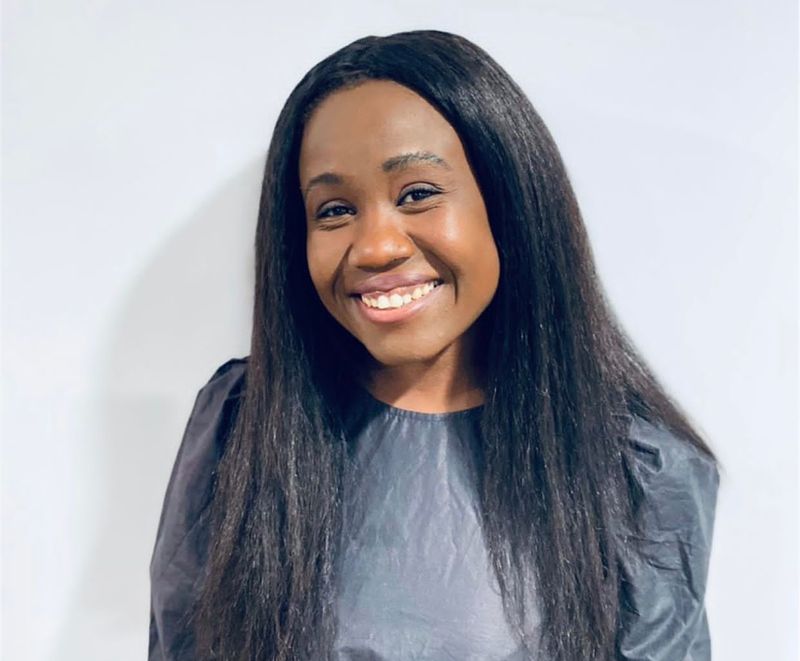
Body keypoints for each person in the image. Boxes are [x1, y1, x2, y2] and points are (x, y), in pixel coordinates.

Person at [148, 30, 721, 661]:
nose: (375, 247)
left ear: (508, 203)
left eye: (417, 194)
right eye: (334, 210)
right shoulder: (241, 427)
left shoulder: (636, 466)